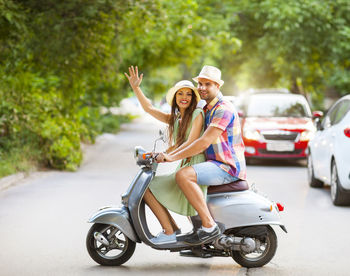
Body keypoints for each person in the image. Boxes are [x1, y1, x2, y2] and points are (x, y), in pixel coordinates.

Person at [156, 65, 247, 245]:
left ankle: (209, 226)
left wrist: (172, 158)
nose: (202, 88)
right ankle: (197, 236)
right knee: (181, 175)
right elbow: (188, 136)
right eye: (200, 84)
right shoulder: (205, 108)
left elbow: (203, 142)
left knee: (183, 175)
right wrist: (166, 152)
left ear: (217, 86)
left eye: (208, 84)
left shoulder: (223, 109)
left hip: (226, 166)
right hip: (214, 163)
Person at [124, 66, 207, 244]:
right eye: (180, 94)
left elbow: (190, 143)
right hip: (185, 164)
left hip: (194, 165)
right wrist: (136, 88)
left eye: (188, 94)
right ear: (175, 98)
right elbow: (149, 109)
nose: (184, 97)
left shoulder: (197, 114)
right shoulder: (176, 118)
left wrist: (168, 156)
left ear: (193, 98)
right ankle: (174, 229)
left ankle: (169, 231)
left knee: (147, 188)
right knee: (148, 187)